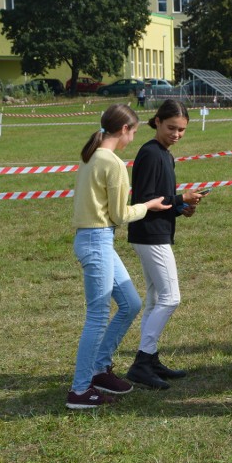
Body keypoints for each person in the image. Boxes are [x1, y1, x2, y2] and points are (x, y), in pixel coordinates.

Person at [66, 105, 171, 409]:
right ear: (125, 129)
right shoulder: (112, 163)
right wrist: (148, 205)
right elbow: (120, 215)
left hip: (95, 240)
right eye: (134, 132)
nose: (133, 138)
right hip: (97, 240)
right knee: (97, 317)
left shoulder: (92, 155)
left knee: (131, 304)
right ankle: (80, 390)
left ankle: (99, 369)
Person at [126, 99, 206, 390]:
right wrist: (180, 199)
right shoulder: (150, 154)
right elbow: (145, 200)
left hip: (153, 233)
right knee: (170, 298)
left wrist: (179, 208)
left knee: (156, 300)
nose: (176, 134)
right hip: (150, 235)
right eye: (172, 127)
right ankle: (142, 362)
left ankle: (151, 358)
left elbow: (160, 201)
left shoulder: (164, 154)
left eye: (182, 130)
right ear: (157, 121)